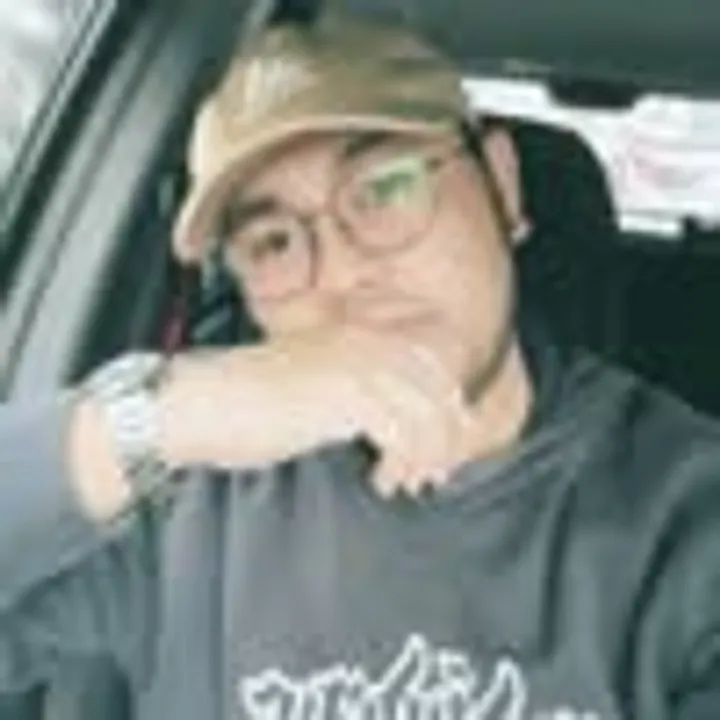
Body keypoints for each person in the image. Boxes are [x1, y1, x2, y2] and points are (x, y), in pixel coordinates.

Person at [1, 13, 719, 720]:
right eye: (273, 242)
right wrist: (161, 416)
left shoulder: (687, 523)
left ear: (502, 187)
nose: (343, 275)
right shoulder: (187, 497)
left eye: (387, 188)